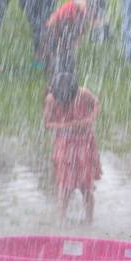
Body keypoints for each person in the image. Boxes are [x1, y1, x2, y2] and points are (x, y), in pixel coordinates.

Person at [43, 72, 102, 222]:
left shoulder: (83, 93)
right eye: (62, 100)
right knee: (65, 186)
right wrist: (66, 126)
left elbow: (96, 104)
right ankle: (60, 221)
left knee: (86, 187)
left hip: (85, 143)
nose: (66, 102)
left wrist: (89, 119)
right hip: (64, 145)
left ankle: (89, 221)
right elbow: (47, 124)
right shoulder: (51, 99)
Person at [39, 0, 89, 77]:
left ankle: (54, 69)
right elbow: (60, 27)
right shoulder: (71, 11)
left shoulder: (80, 13)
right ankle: (49, 69)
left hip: (59, 34)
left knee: (61, 56)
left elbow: (80, 31)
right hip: (54, 33)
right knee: (54, 55)